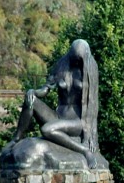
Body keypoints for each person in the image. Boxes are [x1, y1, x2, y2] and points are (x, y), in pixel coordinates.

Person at [7, 39, 101, 167]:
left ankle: (84, 151)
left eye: (79, 59)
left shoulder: (90, 72)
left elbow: (92, 106)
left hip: (78, 121)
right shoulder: (61, 66)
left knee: (47, 129)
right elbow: (45, 89)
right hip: (58, 116)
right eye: (73, 58)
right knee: (31, 101)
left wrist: (89, 135)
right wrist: (33, 92)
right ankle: (16, 139)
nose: (76, 61)